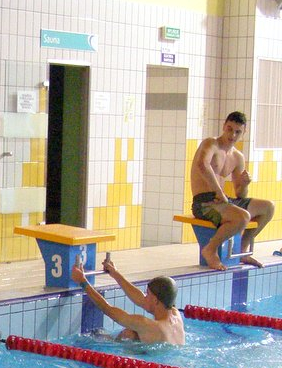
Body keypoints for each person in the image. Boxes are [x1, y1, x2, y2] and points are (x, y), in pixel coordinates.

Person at [190, 111, 274, 270]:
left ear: (244, 132)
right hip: (204, 203)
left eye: (237, 132)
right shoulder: (211, 144)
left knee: (268, 207)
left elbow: (240, 194)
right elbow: (202, 165)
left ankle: (242, 249)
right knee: (243, 217)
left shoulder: (237, 157)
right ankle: (210, 249)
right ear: (224, 126)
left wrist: (245, 184)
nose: (232, 135)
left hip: (224, 201)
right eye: (229, 129)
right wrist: (218, 192)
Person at [71, 257, 185, 345]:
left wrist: (83, 282)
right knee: (131, 334)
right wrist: (115, 273)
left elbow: (108, 310)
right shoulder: (175, 315)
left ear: (155, 300)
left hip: (147, 363)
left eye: (148, 294)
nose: (145, 297)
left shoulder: (148, 326)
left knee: (127, 334)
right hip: (163, 360)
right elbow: (141, 299)